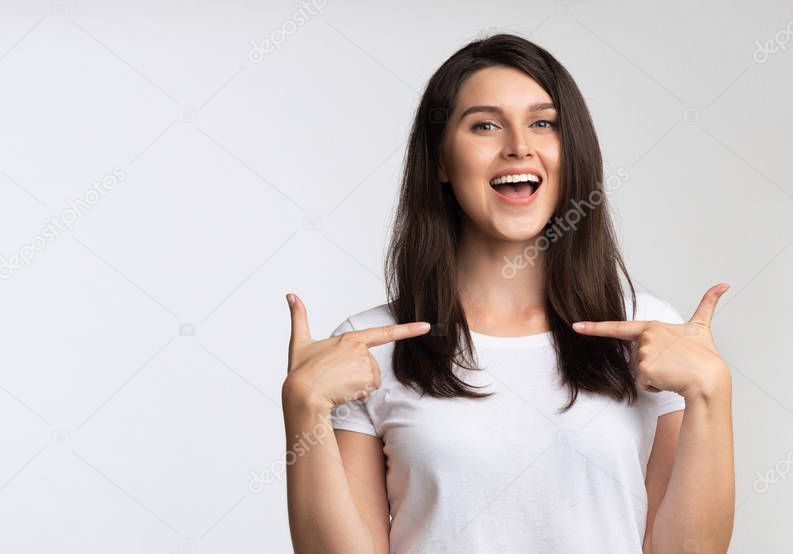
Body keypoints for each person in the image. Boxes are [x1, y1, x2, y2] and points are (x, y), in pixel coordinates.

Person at [282, 33, 735, 553]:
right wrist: (304, 410)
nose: (519, 145)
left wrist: (710, 395)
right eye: (485, 125)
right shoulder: (368, 345)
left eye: (543, 123)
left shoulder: (646, 329)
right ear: (442, 162)